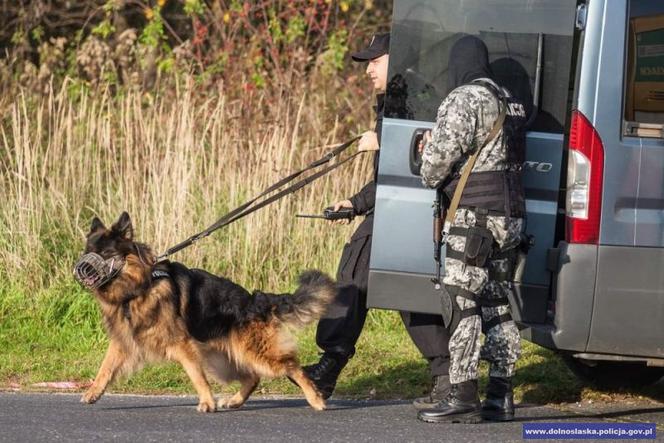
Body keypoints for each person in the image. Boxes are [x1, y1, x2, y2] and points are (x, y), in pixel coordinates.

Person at [303, 32, 452, 409]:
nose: (368, 69)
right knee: (385, 283)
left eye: (375, 60)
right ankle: (444, 376)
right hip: (395, 206)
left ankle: (329, 369)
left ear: (397, 60)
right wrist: (353, 203)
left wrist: (384, 140)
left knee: (370, 279)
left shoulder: (418, 97)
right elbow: (387, 179)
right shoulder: (395, 99)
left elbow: (427, 153)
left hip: (414, 210)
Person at [416, 35, 527, 424]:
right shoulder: (511, 102)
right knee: (497, 303)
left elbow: (432, 170)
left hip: (475, 219)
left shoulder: (464, 99)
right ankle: (501, 393)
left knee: (461, 299)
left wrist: (425, 149)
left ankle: (462, 393)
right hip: (510, 219)